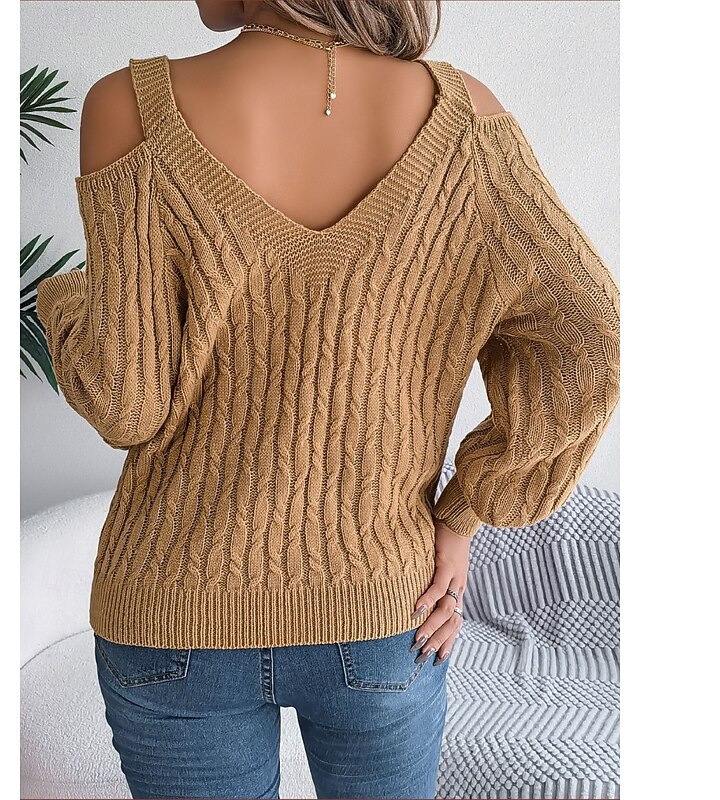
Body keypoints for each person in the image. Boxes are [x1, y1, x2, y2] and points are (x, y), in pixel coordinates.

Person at [36, 1, 620, 797]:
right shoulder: (467, 126)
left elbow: (124, 402)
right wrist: (461, 515)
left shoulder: (127, 108)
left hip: (173, 614)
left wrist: (66, 300)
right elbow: (592, 336)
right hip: (381, 611)